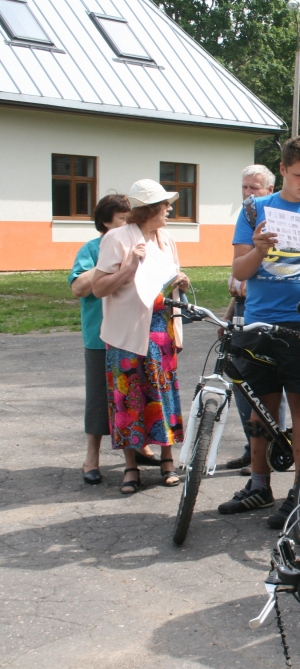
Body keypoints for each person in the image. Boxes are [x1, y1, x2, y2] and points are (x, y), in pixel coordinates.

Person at [218, 136, 300, 528]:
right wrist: (258, 249)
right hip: (259, 320)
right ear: (282, 171)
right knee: (261, 409)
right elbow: (239, 272)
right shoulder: (255, 207)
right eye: (298, 176)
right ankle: (259, 484)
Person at [91, 180, 190, 495]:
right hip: (126, 333)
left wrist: (181, 285)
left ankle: (166, 460)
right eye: (165, 205)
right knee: (128, 398)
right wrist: (129, 267)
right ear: (151, 209)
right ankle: (131, 467)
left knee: (162, 394)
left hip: (160, 329)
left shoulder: (166, 238)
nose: (170, 210)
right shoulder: (117, 239)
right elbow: (99, 288)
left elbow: (172, 281)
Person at [69, 194, 163, 484]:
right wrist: (113, 263)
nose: (129, 224)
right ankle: (92, 458)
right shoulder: (94, 248)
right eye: (123, 219)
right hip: (101, 335)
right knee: (99, 397)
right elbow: (79, 288)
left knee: (136, 393)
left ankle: (141, 447)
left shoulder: (145, 242)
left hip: (136, 330)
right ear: (106, 222)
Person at [224, 164, 277, 475]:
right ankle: (251, 449)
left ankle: (267, 455)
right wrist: (227, 319)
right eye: (244, 187)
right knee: (243, 388)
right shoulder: (245, 219)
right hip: (243, 314)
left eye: (254, 188)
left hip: (269, 317)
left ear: (269, 191)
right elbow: (240, 278)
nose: (248, 193)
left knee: (268, 392)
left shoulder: (274, 222)